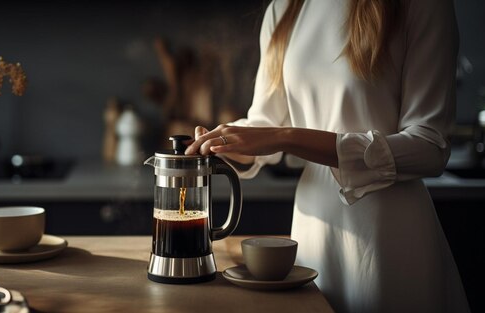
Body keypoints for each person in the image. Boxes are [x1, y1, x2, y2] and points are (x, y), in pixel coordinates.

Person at [185, 0, 471, 312]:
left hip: (388, 236)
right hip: (313, 228)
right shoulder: (284, 8)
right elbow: (266, 122)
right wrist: (221, 141)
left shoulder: (422, 6)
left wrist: (287, 137)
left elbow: (431, 146)